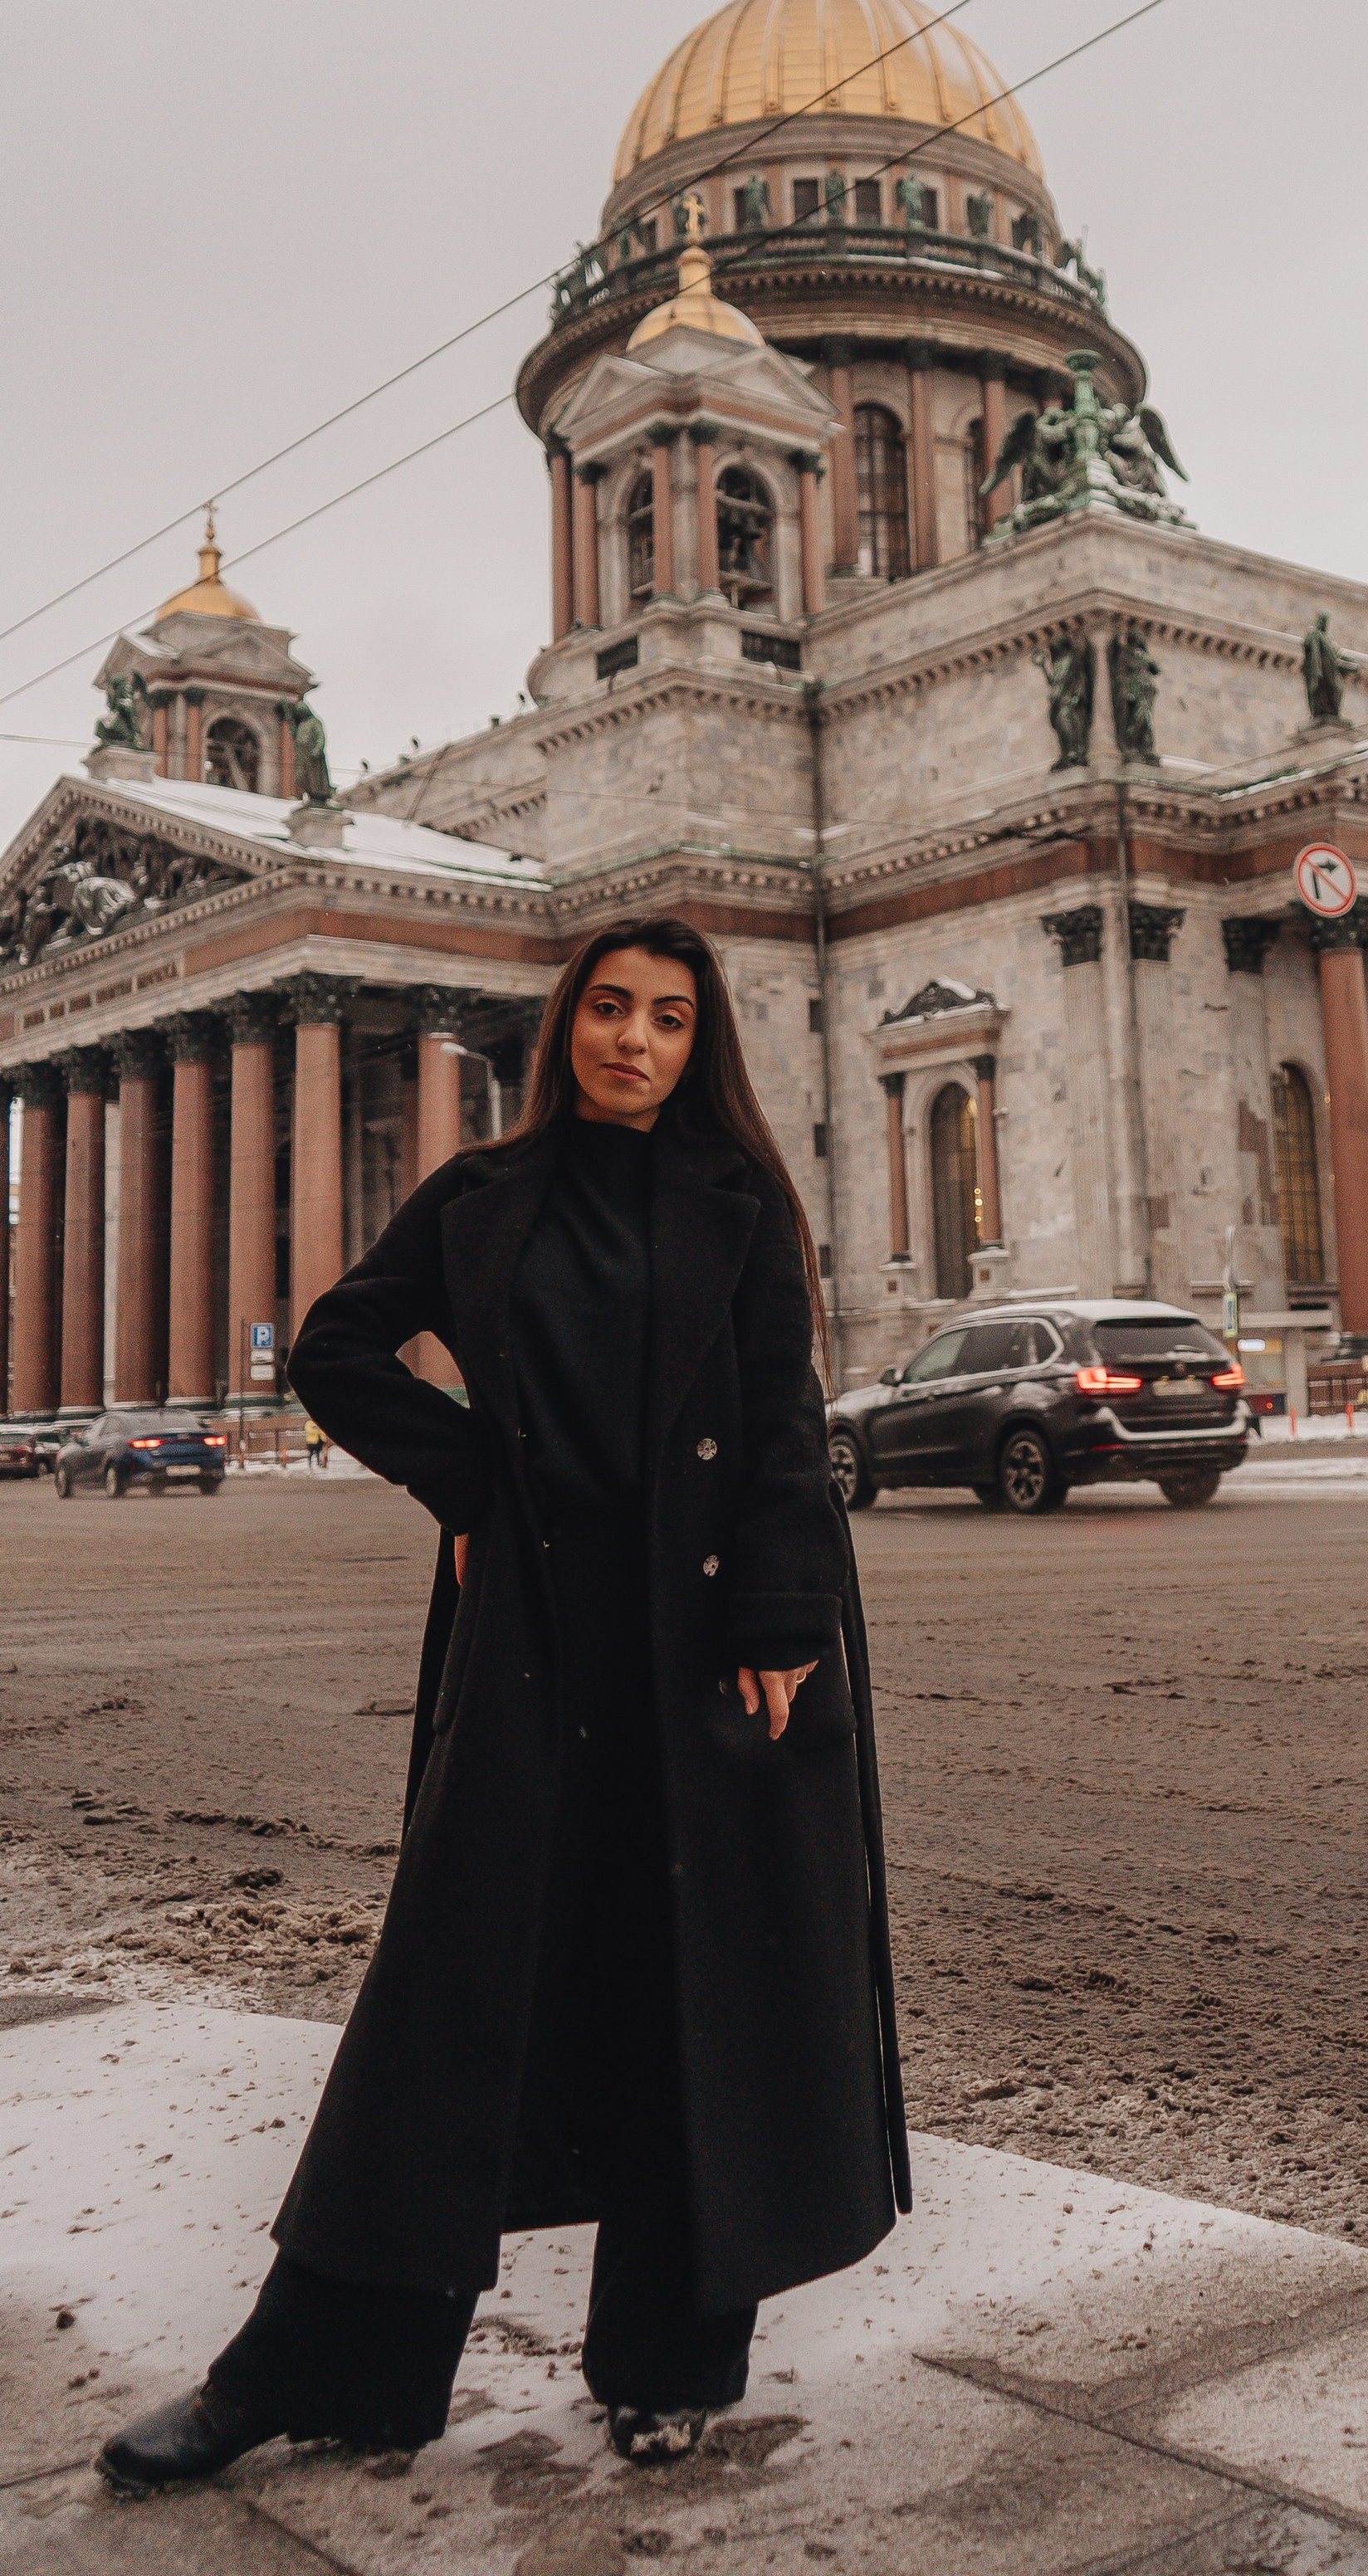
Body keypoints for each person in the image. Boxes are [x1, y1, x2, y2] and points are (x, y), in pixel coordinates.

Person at [100, 916, 906, 2491]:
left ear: (699, 1046)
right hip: (541, 1634)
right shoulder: (480, 1199)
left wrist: (782, 1614)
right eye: (610, 1009)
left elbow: (782, 1425)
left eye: (671, 1019)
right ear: (565, 1028)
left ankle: (670, 2362)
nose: (635, 1041)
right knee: (446, 2010)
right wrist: (468, 1475)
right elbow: (334, 1349)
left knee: (695, 2000)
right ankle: (327, 2368)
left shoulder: (743, 1205)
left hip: (706, 1647)